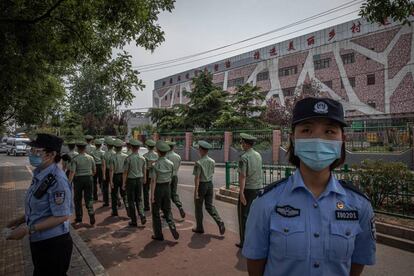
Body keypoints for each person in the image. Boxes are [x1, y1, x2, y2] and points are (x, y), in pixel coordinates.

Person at [242, 97, 376, 276]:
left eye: (329, 131)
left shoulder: (360, 205)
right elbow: (255, 264)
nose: (318, 140)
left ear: (342, 140)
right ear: (293, 139)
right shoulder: (265, 203)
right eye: (306, 130)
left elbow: (357, 263)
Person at [5, 133, 73, 276]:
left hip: (53, 244)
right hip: (40, 240)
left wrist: (28, 229)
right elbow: (40, 207)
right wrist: (20, 219)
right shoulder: (40, 174)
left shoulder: (57, 180)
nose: (32, 154)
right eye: (32, 150)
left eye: (37, 151)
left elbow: (62, 216)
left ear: (51, 154)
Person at [192, 140, 225, 235]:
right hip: (210, 184)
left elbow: (197, 178)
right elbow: (212, 173)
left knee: (198, 207)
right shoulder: (212, 161)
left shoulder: (199, 163)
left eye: (199, 149)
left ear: (202, 150)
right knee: (209, 206)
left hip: (202, 185)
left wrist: (196, 190)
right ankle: (219, 221)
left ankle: (199, 227)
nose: (199, 150)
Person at [236, 133, 263, 249]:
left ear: (246, 143)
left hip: (248, 189)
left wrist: (241, 192)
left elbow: (243, 176)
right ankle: (255, 239)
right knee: (254, 216)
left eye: (242, 142)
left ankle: (244, 242)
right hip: (258, 188)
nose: (241, 144)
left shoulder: (244, 157)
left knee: (243, 216)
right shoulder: (258, 155)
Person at [150, 141, 179, 241]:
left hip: (158, 188)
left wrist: (152, 195)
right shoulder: (171, 164)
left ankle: (158, 234)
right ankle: (172, 225)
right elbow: (171, 177)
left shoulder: (154, 165)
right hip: (167, 187)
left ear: (158, 151)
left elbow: (153, 181)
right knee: (167, 209)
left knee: (156, 211)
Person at [68, 139, 96, 225]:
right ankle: (91, 212)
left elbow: (72, 172)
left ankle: (79, 218)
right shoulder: (90, 158)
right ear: (85, 148)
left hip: (78, 179)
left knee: (77, 199)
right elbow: (94, 170)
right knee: (89, 197)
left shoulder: (75, 159)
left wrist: (69, 182)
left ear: (77, 148)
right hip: (89, 178)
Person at [122, 139, 147, 227]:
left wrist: (123, 183)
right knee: (139, 199)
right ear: (139, 148)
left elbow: (125, 172)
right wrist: (144, 179)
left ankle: (134, 221)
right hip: (139, 179)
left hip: (131, 180)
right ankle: (142, 215)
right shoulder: (143, 158)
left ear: (131, 147)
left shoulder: (128, 158)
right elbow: (144, 170)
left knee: (131, 200)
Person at [166, 141, 186, 219]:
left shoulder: (166, 156)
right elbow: (178, 166)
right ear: (173, 147)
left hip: (167, 177)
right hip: (175, 176)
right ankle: (179, 205)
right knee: (174, 193)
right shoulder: (178, 156)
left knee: (166, 196)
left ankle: (167, 212)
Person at [110, 138, 129, 216]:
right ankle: (128, 209)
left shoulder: (112, 157)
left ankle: (115, 211)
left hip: (115, 176)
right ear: (121, 147)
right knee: (124, 194)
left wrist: (111, 181)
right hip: (124, 176)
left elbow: (111, 170)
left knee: (114, 194)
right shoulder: (126, 156)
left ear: (114, 147)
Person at [143, 139, 158, 211]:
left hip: (147, 172)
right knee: (156, 189)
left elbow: (144, 167)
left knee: (146, 190)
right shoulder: (157, 155)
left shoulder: (145, 156)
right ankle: (156, 205)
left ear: (148, 147)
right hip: (156, 173)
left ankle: (146, 206)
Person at [101, 137, 114, 207]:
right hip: (114, 171)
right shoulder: (115, 153)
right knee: (114, 187)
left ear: (107, 146)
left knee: (105, 187)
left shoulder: (104, 154)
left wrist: (103, 175)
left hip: (107, 171)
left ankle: (106, 202)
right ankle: (117, 199)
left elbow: (103, 165)